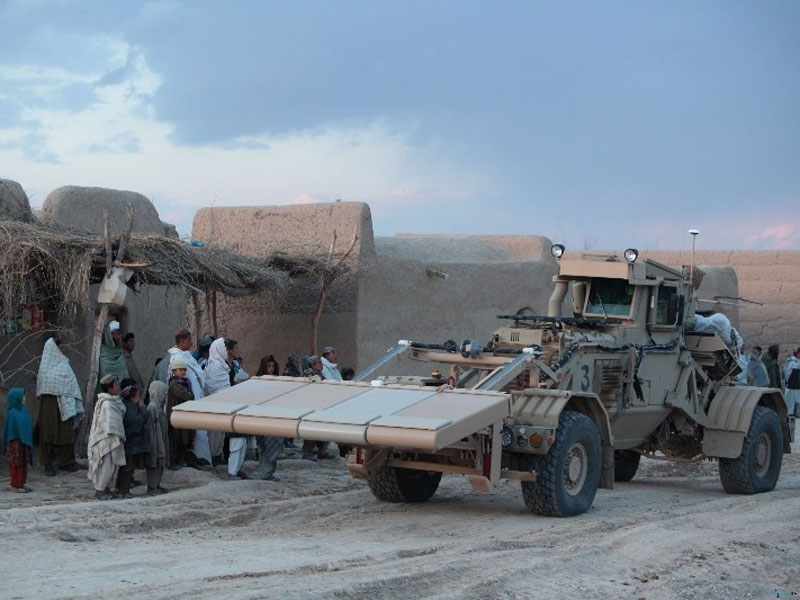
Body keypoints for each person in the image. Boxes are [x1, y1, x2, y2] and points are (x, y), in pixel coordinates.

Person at [154, 329, 211, 465]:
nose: (191, 343)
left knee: (190, 435)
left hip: (192, 404)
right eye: (189, 340)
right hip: (179, 407)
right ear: (183, 341)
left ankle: (192, 456)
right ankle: (177, 460)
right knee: (178, 437)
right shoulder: (176, 359)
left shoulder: (186, 357)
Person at [35, 337, 83, 476]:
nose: (63, 350)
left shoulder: (64, 364)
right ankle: (47, 463)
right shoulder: (45, 367)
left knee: (66, 431)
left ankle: (66, 461)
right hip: (49, 404)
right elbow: (43, 384)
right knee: (48, 432)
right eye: (60, 348)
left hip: (64, 402)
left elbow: (71, 382)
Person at [205, 337, 249, 479]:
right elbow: (217, 390)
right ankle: (231, 471)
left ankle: (236, 469)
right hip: (220, 410)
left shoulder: (224, 365)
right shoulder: (215, 367)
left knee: (239, 440)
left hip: (232, 408)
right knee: (228, 440)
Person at [87, 375, 126, 500]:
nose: (117, 387)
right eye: (115, 385)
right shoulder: (107, 404)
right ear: (110, 388)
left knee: (112, 466)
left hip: (112, 440)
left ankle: (107, 489)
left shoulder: (113, 401)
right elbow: (109, 424)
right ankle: (100, 490)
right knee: (105, 465)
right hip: (106, 440)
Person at [116, 384, 150, 498]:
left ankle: (120, 489)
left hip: (130, 442)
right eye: (137, 396)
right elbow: (139, 421)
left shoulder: (127, 407)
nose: (139, 399)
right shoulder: (130, 409)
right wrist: (142, 408)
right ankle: (124, 491)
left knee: (126, 468)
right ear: (131, 398)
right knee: (127, 468)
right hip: (131, 442)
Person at [3, 388, 34, 493]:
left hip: (23, 443)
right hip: (15, 443)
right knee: (16, 463)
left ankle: (21, 483)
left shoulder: (23, 411)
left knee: (23, 462)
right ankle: (15, 485)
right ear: (16, 398)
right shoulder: (12, 413)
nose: (24, 398)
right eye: (22, 396)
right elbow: (10, 430)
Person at [166, 359, 195, 470]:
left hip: (184, 414)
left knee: (185, 438)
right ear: (174, 371)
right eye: (180, 369)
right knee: (175, 439)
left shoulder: (186, 382)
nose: (183, 372)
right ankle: (173, 462)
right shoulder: (173, 383)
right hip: (175, 415)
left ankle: (180, 460)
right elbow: (186, 395)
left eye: (184, 369)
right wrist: (189, 395)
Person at [145, 381, 169, 494]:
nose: (165, 395)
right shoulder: (152, 407)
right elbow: (151, 428)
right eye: (163, 392)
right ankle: (152, 487)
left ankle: (157, 484)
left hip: (161, 439)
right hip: (155, 440)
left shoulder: (159, 407)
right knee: (154, 463)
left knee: (160, 461)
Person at [98, 320, 128, 389]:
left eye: (118, 334)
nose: (119, 337)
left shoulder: (119, 351)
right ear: (109, 336)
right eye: (116, 334)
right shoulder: (103, 353)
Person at [784, 347, 800, 417]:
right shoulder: (792, 362)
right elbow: (788, 375)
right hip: (792, 388)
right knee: (790, 408)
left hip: (797, 387)